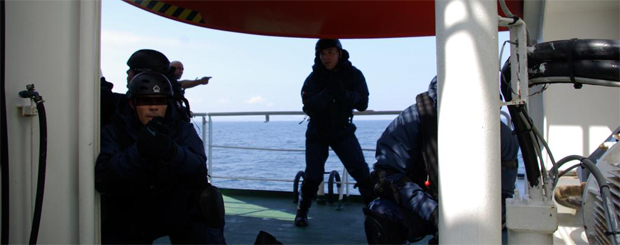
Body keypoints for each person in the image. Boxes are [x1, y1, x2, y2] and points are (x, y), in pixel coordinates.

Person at [363, 76, 520, 244]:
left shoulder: (501, 135)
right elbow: (389, 174)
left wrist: (488, 220)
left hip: (474, 212)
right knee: (381, 215)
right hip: (422, 205)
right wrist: (434, 213)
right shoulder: (412, 121)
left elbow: (504, 192)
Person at [95, 71, 226, 244]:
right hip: (132, 208)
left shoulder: (182, 129)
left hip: (175, 204)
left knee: (208, 206)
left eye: (160, 101)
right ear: (133, 104)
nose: (153, 107)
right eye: (145, 101)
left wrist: (171, 152)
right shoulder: (115, 131)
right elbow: (105, 176)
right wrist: (140, 151)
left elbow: (198, 168)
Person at [297, 39, 375, 227]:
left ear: (340, 53)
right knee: (313, 176)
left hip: (342, 130)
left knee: (362, 172)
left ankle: (376, 211)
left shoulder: (353, 74)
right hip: (318, 131)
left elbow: (363, 103)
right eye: (323, 53)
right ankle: (302, 211)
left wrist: (343, 94)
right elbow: (308, 106)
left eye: (330, 52)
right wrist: (327, 94)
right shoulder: (313, 78)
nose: (326, 57)